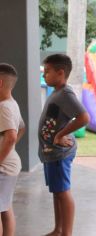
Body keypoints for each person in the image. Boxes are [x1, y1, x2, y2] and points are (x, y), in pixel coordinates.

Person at [39, 54, 90, 236]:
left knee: (63, 192)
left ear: (60, 73)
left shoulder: (65, 94)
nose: (44, 75)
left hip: (59, 153)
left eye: (47, 71)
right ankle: (58, 229)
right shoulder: (57, 93)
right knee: (57, 191)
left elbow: (84, 117)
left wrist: (61, 134)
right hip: (51, 152)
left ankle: (66, 233)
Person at [0, 63, 25, 236]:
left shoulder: (3, 107)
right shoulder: (12, 103)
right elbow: (21, 127)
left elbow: (11, 136)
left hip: (3, 168)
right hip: (10, 165)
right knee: (5, 206)